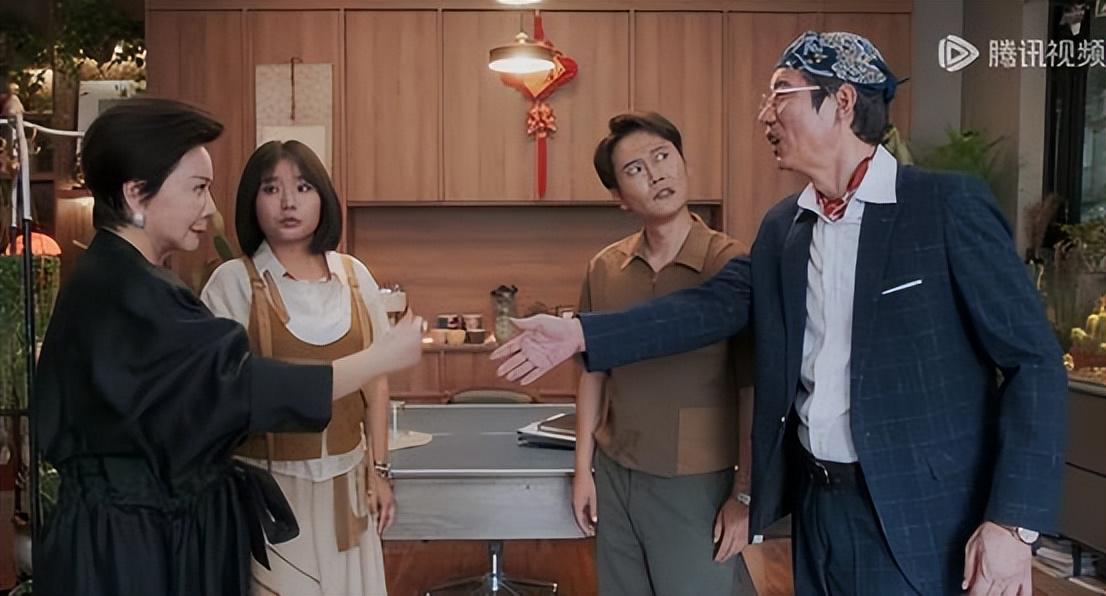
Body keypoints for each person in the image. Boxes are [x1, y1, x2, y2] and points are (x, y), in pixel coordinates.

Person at [492, 31, 1068, 596]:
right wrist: (579, 333)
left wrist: (1014, 521)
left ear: (841, 101)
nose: (765, 115)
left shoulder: (943, 207)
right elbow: (707, 309)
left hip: (921, 514)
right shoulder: (783, 228)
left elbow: (1033, 362)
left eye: (781, 94)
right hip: (818, 508)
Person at [33, 98, 423, 596]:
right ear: (136, 194)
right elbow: (239, 387)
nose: (210, 208)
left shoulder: (124, 281)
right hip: (129, 551)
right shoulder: (126, 292)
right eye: (198, 188)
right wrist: (377, 358)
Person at [571, 111, 755, 596]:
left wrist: (744, 494)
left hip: (696, 480)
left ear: (683, 162)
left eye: (663, 156)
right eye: (635, 169)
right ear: (619, 197)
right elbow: (594, 373)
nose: (655, 174)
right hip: (616, 471)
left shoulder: (728, 263)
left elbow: (752, 386)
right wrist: (583, 470)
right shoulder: (605, 268)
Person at [201, 140, 394, 595]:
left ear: (323, 197)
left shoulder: (355, 277)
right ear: (252, 201)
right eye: (271, 189)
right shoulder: (230, 283)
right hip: (268, 494)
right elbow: (219, 392)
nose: (288, 202)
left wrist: (380, 471)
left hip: (348, 486)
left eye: (303, 187)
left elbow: (375, 384)